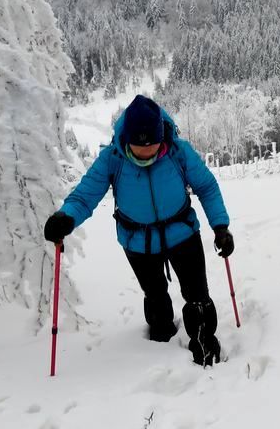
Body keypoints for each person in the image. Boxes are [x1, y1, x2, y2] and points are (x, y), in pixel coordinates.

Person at [43, 95, 234, 367]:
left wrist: (221, 226)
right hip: (138, 242)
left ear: (161, 137)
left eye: (152, 147)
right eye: (138, 147)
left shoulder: (179, 152)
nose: (146, 154)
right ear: (126, 140)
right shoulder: (113, 159)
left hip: (182, 233)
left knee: (197, 294)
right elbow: (85, 196)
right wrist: (66, 217)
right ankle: (160, 340)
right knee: (155, 294)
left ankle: (204, 341)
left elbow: (206, 187)